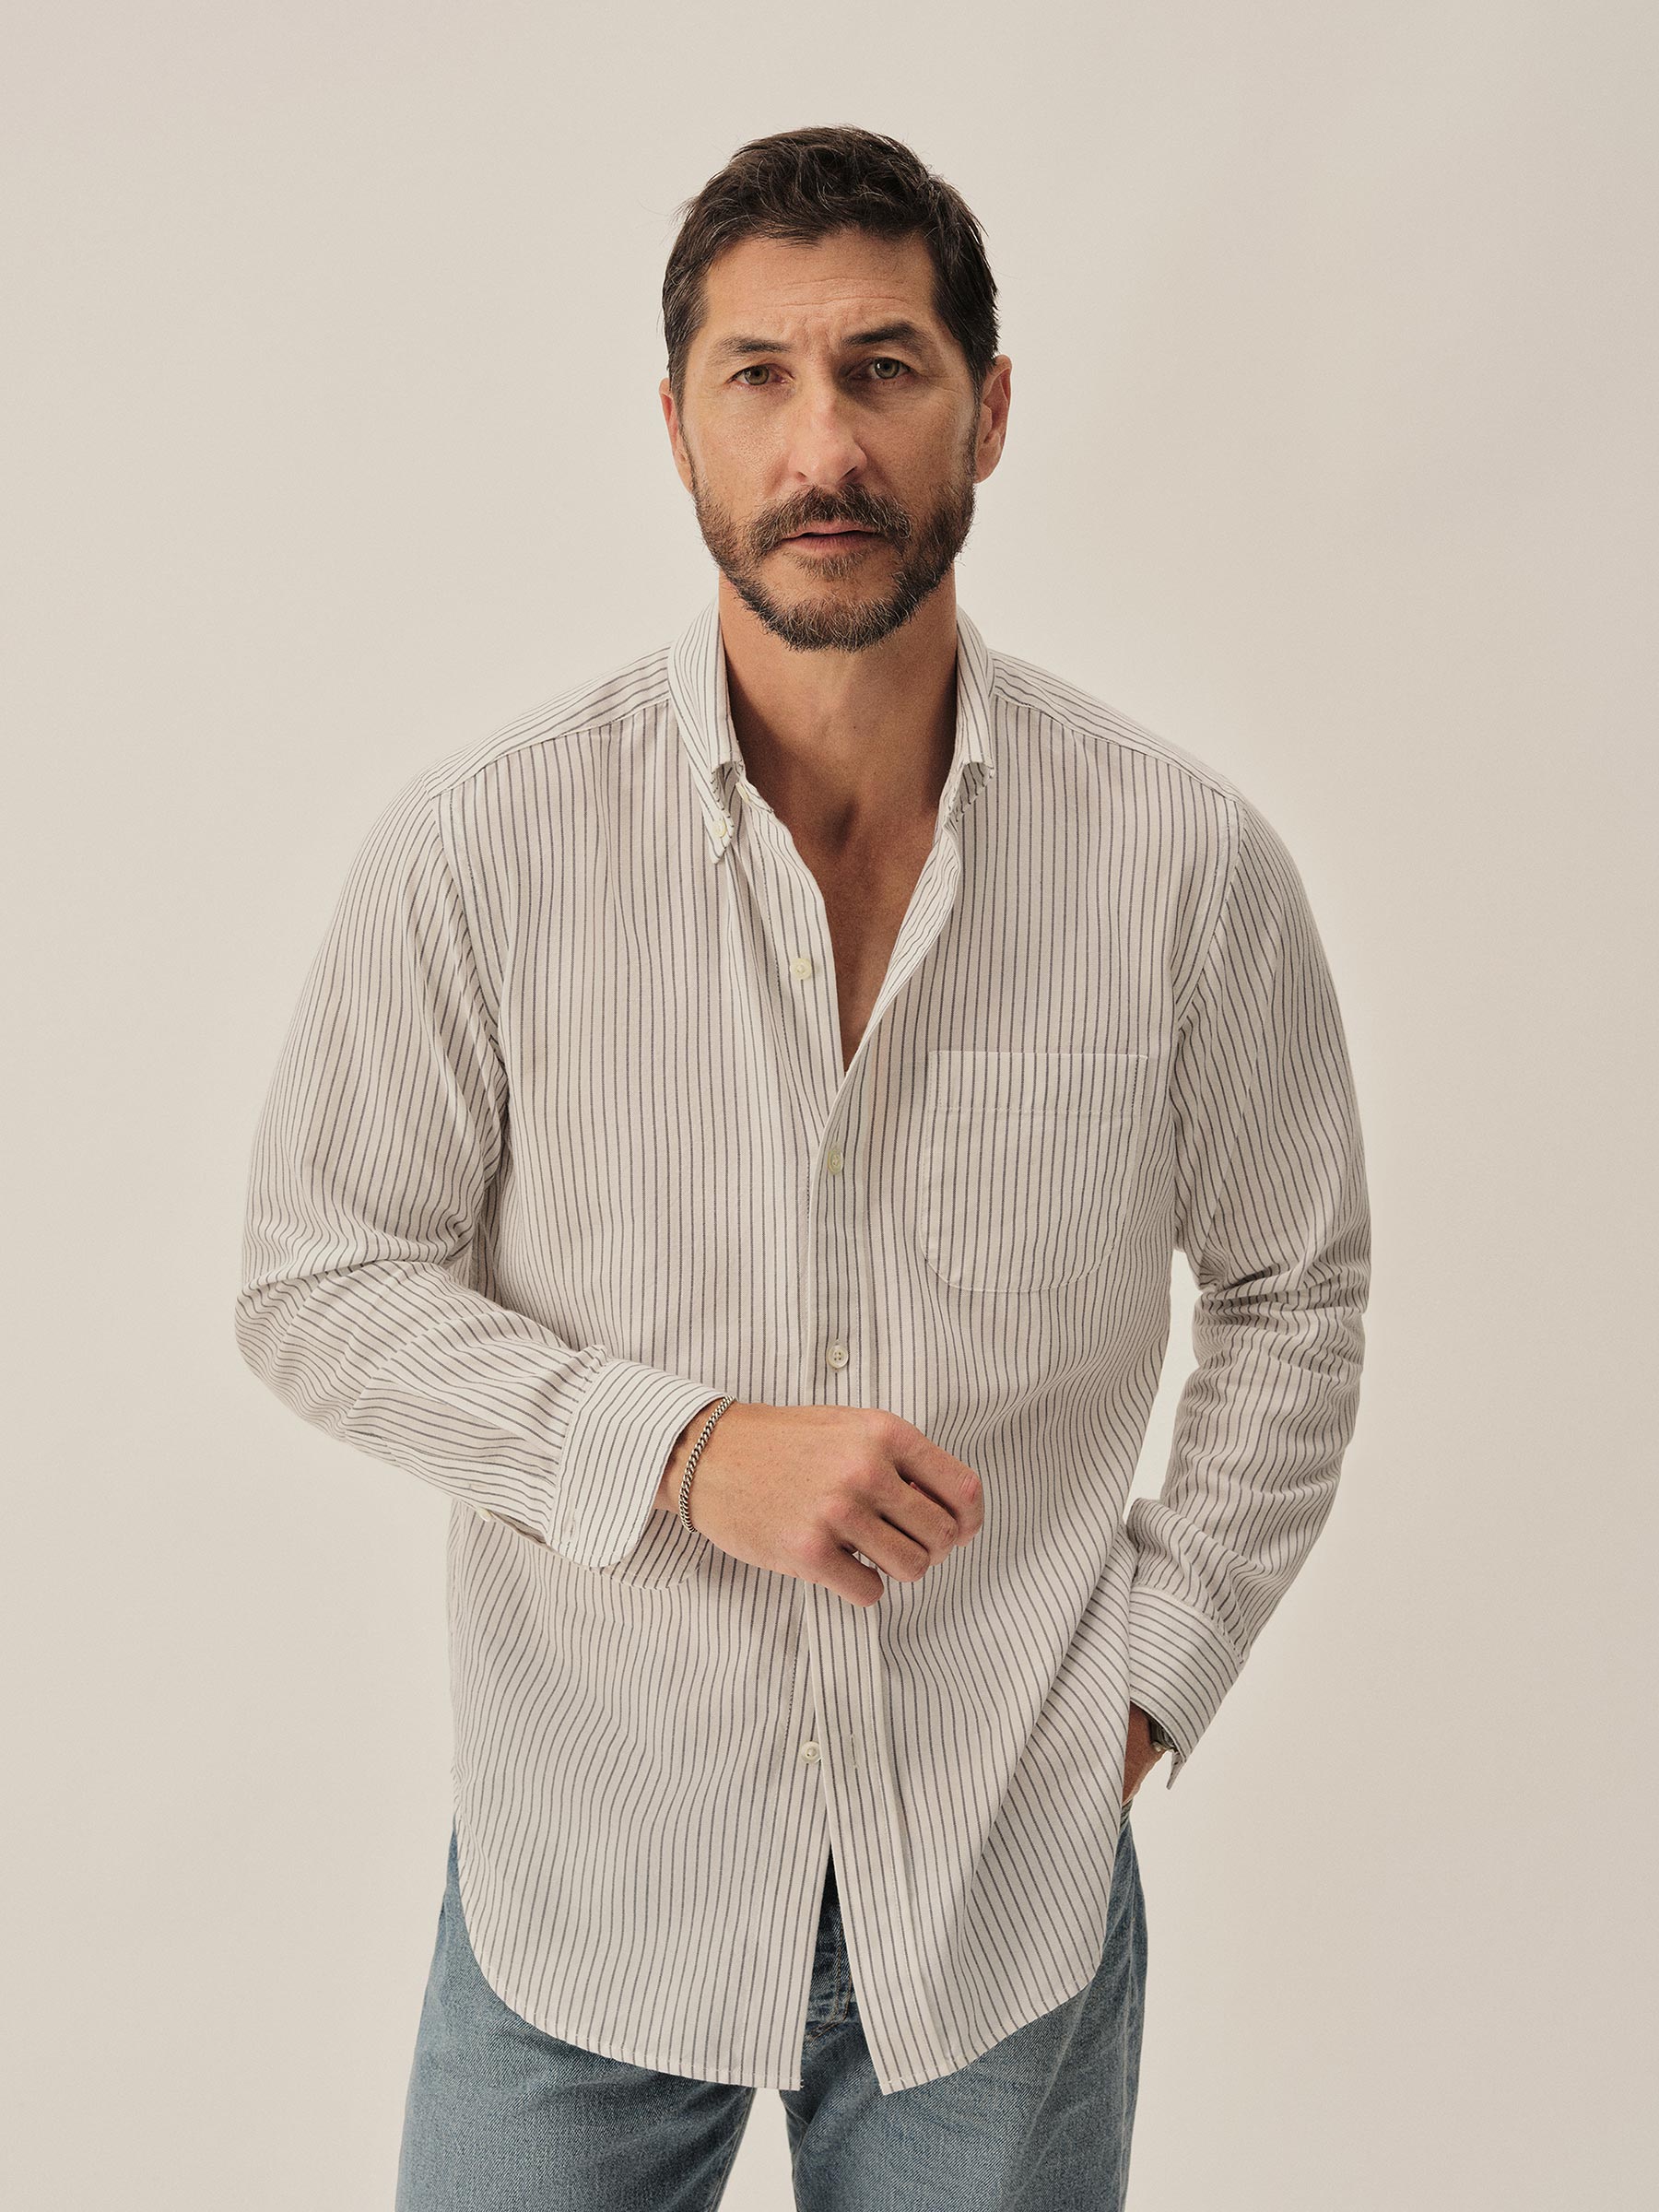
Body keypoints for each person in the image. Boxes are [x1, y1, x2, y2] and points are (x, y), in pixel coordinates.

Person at [235, 124, 1371, 2211]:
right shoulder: (487, 853)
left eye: (883, 369)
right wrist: (679, 1452)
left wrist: (1148, 1687)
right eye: (757, 375)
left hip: (1002, 1892)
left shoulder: (1184, 867)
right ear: (677, 428)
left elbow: (1296, 1290)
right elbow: (317, 1280)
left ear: (988, 412)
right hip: (594, 1876)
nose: (821, 444)